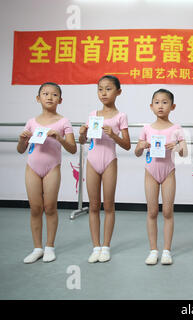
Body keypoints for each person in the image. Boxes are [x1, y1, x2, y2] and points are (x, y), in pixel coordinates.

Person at [17, 82, 77, 263]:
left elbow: (73, 149)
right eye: (45, 94)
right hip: (32, 168)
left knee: (50, 207)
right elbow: (21, 150)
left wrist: (59, 137)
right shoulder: (31, 122)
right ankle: (37, 248)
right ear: (38, 98)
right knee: (35, 208)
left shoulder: (64, 121)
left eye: (54, 94)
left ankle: (49, 246)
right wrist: (22, 140)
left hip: (52, 169)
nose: (49, 97)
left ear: (60, 99)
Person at [79, 75, 131, 263]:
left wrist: (113, 135)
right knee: (93, 205)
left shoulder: (120, 116)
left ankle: (106, 246)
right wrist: (82, 134)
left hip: (109, 161)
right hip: (92, 161)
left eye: (108, 89)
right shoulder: (93, 115)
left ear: (118, 91)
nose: (103, 93)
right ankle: (96, 246)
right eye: (100, 89)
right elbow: (84, 142)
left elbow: (127, 145)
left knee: (108, 205)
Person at [135, 89, 187, 265]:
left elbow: (184, 153)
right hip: (150, 173)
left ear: (172, 106)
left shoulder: (176, 129)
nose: (160, 106)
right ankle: (153, 250)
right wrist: (141, 146)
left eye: (165, 102)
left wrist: (178, 147)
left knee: (167, 211)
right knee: (152, 212)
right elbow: (136, 152)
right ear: (151, 106)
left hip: (168, 173)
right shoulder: (146, 128)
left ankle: (166, 250)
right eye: (157, 102)